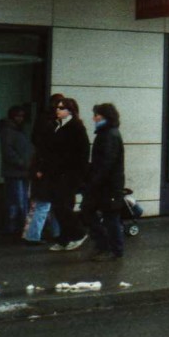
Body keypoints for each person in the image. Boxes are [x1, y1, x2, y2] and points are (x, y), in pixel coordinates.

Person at [44, 97, 90, 251]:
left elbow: (83, 153)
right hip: (58, 174)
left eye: (62, 107)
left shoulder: (76, 127)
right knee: (61, 206)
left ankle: (79, 233)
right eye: (57, 107)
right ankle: (65, 238)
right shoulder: (58, 126)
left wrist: (76, 174)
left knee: (62, 206)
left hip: (70, 174)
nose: (58, 109)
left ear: (70, 110)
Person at [84, 103, 125, 261]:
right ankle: (106, 246)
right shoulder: (107, 133)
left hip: (107, 185)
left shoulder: (109, 135)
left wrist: (93, 181)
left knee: (109, 217)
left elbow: (106, 163)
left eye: (97, 115)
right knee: (101, 214)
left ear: (106, 117)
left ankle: (112, 248)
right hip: (106, 184)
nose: (94, 118)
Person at [23, 94, 63, 245]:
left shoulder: (44, 120)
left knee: (44, 204)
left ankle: (38, 234)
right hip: (47, 168)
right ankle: (38, 235)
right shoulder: (51, 123)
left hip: (44, 167)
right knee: (45, 204)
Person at [0, 105, 33, 236]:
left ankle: (14, 228)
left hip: (19, 171)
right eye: (18, 116)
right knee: (18, 202)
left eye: (22, 116)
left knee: (18, 201)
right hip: (16, 171)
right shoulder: (9, 131)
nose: (20, 119)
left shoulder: (15, 130)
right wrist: (24, 163)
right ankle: (14, 228)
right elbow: (8, 152)